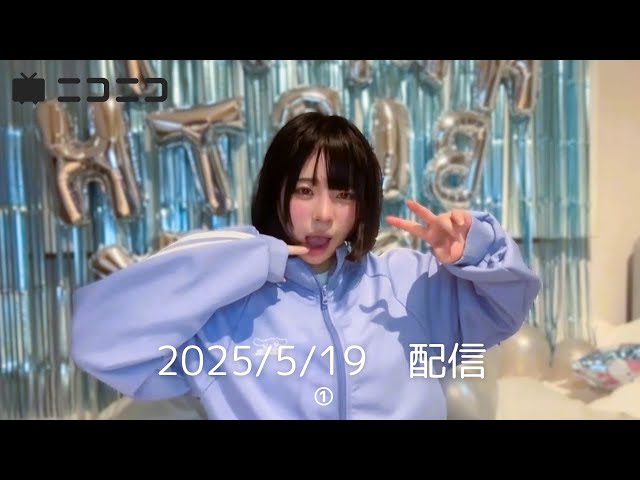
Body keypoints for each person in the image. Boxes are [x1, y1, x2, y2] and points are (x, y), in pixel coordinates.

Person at [70, 112, 542, 420]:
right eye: (304, 190)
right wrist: (242, 257)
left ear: (362, 205)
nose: (323, 214)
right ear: (275, 191)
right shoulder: (227, 306)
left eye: (343, 194)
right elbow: (100, 342)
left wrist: (477, 250)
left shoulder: (406, 282)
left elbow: (504, 311)